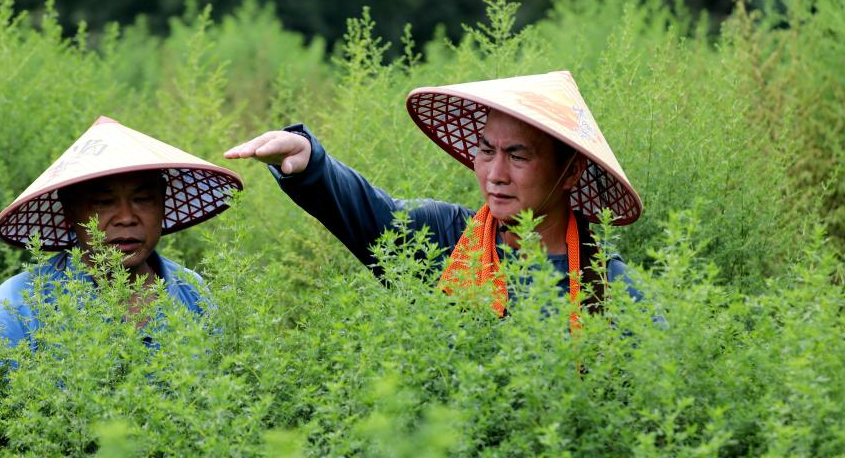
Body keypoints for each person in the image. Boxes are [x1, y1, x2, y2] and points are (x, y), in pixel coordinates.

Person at [225, 71, 643, 324]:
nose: (495, 175)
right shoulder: (446, 238)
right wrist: (312, 160)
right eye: (485, 150)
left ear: (569, 171)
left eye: (518, 155)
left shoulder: (607, 286)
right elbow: (372, 214)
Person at [0, 116, 242, 346]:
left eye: (142, 199)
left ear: (163, 202)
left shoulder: (192, 292)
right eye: (104, 203)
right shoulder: (18, 309)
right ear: (70, 211)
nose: (127, 218)